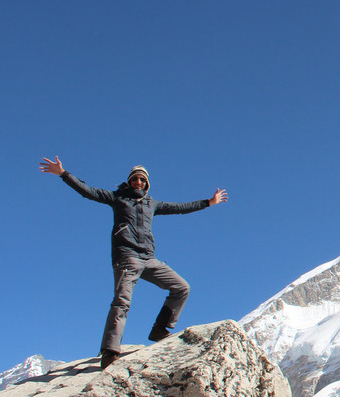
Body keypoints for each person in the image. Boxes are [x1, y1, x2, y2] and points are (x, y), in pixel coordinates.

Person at [39, 156, 228, 369]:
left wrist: (208, 202)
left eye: (142, 180)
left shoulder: (152, 204)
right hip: (127, 257)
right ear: (129, 181)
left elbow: (180, 207)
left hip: (149, 258)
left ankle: (159, 329)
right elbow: (88, 191)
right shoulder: (117, 198)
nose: (138, 182)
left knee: (181, 287)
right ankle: (110, 352)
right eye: (135, 179)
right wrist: (63, 174)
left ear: (147, 184)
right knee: (122, 302)